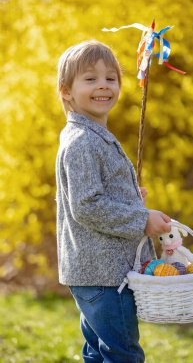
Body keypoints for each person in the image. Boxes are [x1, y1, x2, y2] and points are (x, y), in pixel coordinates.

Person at [56, 40, 171, 363]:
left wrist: (130, 197)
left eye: (111, 78)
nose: (103, 85)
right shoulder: (82, 141)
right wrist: (141, 220)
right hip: (103, 274)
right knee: (123, 355)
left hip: (96, 273)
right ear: (66, 91)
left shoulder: (91, 135)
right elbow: (87, 205)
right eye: (90, 79)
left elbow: (93, 194)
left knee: (99, 352)